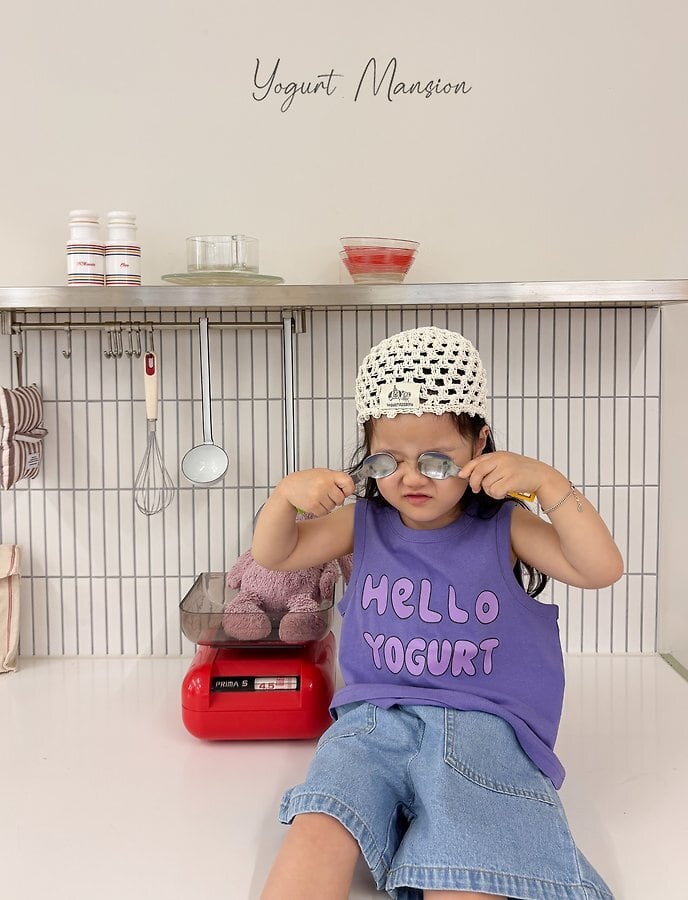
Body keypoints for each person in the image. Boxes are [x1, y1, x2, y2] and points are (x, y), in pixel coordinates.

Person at [253, 326, 623, 900]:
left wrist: (549, 484)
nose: (411, 478)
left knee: (466, 865)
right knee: (319, 821)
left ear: (481, 446)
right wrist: (284, 499)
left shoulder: (505, 527)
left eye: (436, 459)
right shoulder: (362, 523)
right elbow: (275, 554)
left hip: (485, 730)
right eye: (389, 459)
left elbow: (600, 568)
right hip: (373, 721)